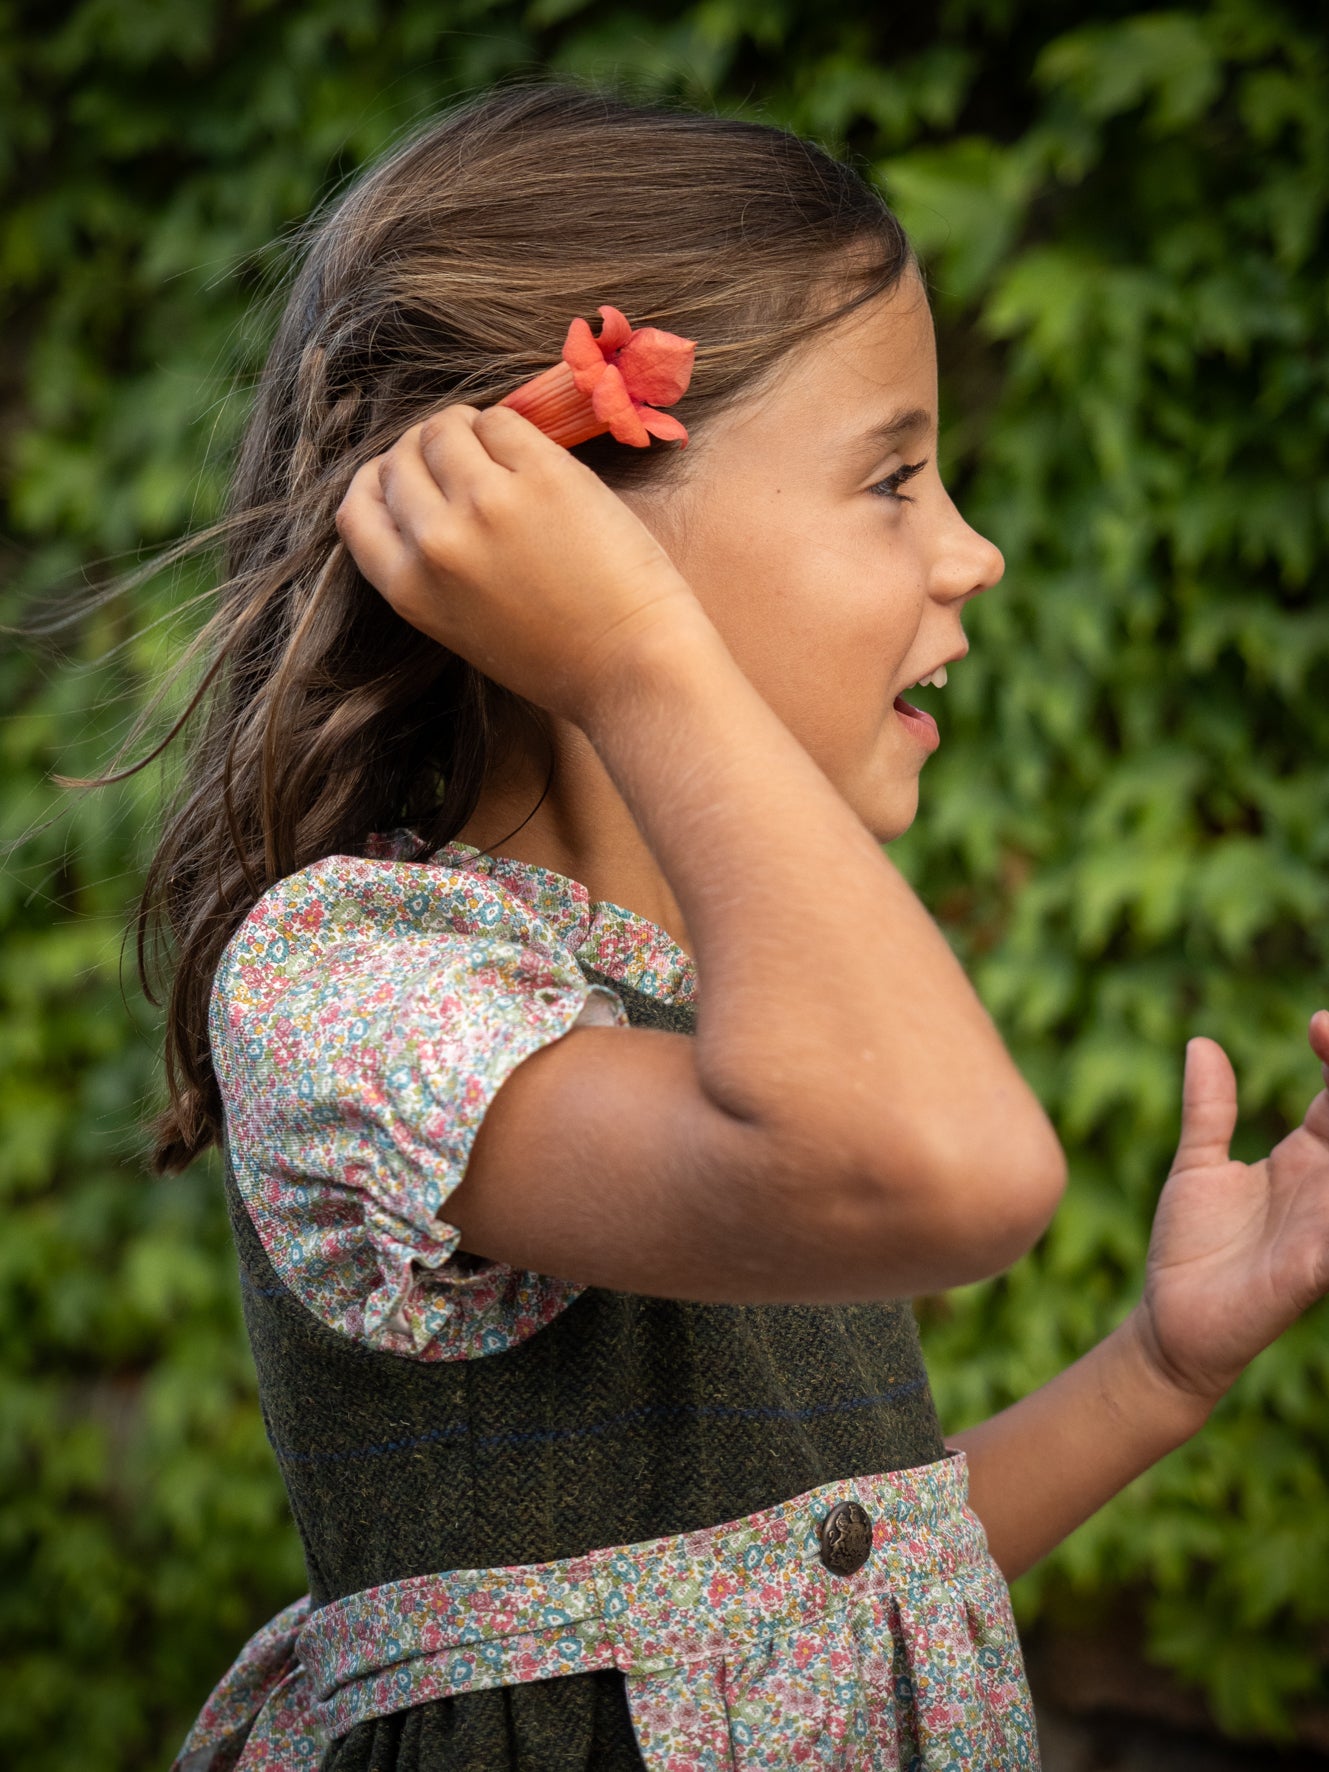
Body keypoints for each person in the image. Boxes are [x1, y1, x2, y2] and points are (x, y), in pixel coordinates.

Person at [149, 82, 1329, 1771]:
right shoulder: (356, 979)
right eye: (893, 479)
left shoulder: (737, 1001)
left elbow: (814, 1609)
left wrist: (1157, 1368)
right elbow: (955, 1173)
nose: (974, 554)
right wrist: (639, 657)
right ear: (568, 528)